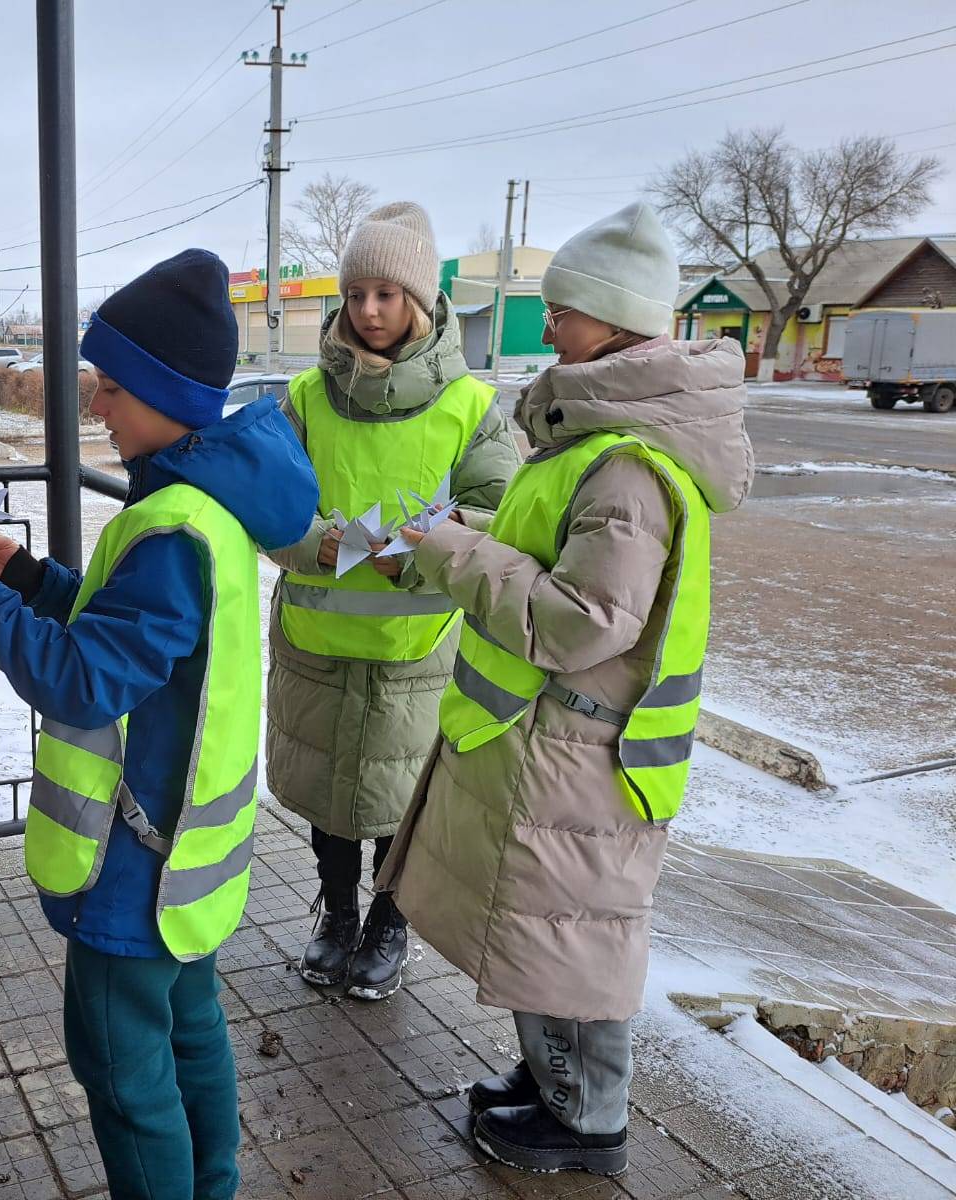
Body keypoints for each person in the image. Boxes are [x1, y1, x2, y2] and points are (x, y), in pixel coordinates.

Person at [0, 248, 318, 1200]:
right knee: (192, 1032)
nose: (97, 404)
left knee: (124, 1076)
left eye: (112, 385)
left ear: (167, 395)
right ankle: (213, 1185)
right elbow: (130, 633)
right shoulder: (201, 510)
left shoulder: (172, 526)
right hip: (186, 852)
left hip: (134, 862)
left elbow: (88, 682)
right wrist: (26, 579)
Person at [378, 201, 754, 1175]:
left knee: (573, 942)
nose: (547, 328)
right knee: (543, 935)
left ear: (614, 321)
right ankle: (553, 1085)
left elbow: (578, 621)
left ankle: (587, 1120)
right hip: (550, 747)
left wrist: (453, 548)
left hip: (582, 753)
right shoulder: (592, 444)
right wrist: (447, 542)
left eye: (563, 310)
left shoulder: (626, 470)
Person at [266, 201, 517, 1000]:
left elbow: (499, 510)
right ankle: (337, 915)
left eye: (386, 294)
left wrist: (415, 548)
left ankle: (389, 921)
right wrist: (321, 545)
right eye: (355, 294)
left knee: (402, 798)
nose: (368, 311)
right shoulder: (306, 396)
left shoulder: (471, 404)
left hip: (418, 651)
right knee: (328, 798)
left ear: (420, 301)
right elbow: (269, 505)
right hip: (315, 638)